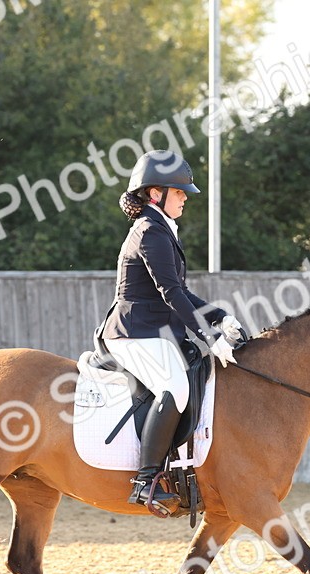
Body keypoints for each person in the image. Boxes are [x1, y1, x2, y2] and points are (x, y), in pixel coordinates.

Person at [97, 150, 248, 514]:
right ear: (155, 194)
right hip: (133, 332)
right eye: (179, 192)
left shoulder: (161, 228)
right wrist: (209, 336)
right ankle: (145, 480)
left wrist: (219, 317)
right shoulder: (150, 232)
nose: (184, 198)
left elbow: (181, 291)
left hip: (153, 331)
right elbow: (170, 293)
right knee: (175, 387)